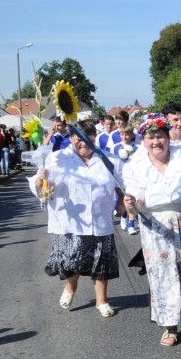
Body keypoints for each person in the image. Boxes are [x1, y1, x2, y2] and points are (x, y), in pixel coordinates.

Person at [122, 114, 181, 346]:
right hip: (155, 226)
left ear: (167, 136)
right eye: (150, 137)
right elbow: (134, 194)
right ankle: (170, 327)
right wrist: (132, 203)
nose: (156, 141)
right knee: (164, 275)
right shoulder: (135, 165)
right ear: (143, 140)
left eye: (160, 136)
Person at [27, 120, 120, 317]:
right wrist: (40, 181)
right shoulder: (57, 158)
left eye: (89, 137)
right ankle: (70, 287)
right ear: (71, 138)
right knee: (73, 261)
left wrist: (124, 205)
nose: (84, 142)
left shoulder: (107, 159)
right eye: (79, 138)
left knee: (101, 262)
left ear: (95, 137)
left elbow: (122, 185)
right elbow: (44, 190)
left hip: (100, 220)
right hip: (69, 222)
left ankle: (101, 301)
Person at [112, 126, 140, 234]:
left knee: (131, 200)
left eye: (127, 134)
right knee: (122, 200)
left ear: (132, 135)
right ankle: (124, 216)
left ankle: (131, 224)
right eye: (123, 134)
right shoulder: (115, 147)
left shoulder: (137, 147)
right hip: (119, 178)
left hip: (132, 178)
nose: (125, 136)